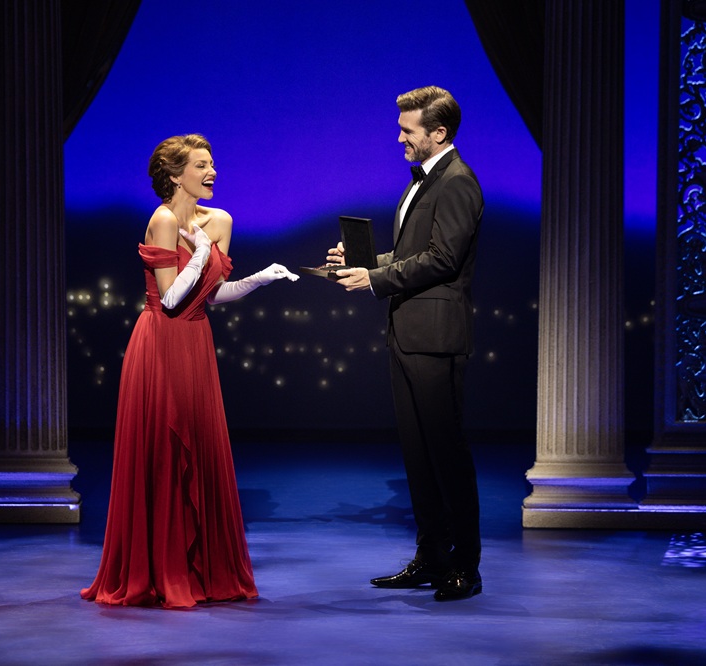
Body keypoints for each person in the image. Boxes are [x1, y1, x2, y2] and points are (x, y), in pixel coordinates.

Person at [81, 133, 298, 609]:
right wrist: (199, 253)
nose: (212, 171)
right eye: (201, 165)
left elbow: (212, 296)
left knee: (198, 450)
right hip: (160, 343)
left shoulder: (220, 220)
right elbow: (170, 298)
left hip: (196, 342)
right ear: (176, 176)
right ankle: (161, 573)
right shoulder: (161, 220)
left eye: (212, 163)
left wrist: (260, 278)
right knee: (163, 453)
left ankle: (202, 572)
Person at [326, 86, 484, 601]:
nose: (399, 138)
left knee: (446, 453)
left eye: (407, 130)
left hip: (436, 337)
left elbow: (442, 259)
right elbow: (413, 251)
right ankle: (432, 557)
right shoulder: (424, 180)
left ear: (438, 132)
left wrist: (373, 280)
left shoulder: (457, 182)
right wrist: (362, 263)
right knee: (419, 455)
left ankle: (465, 566)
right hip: (408, 333)